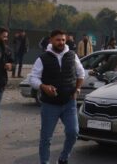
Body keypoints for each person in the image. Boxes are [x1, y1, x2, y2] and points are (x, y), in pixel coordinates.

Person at [29, 29, 85, 164]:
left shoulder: (72, 55)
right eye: (58, 40)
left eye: (63, 40)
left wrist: (77, 89)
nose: (61, 42)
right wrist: (44, 87)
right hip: (50, 105)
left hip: (69, 103)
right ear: (51, 40)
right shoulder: (42, 58)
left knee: (73, 133)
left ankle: (63, 158)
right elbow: (33, 79)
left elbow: (81, 73)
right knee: (46, 138)